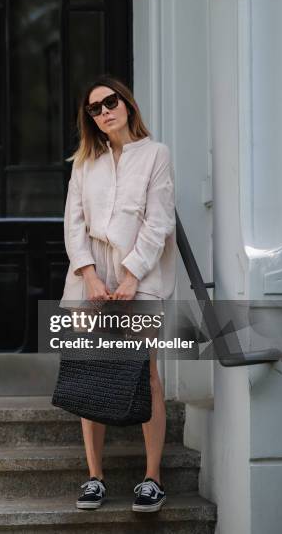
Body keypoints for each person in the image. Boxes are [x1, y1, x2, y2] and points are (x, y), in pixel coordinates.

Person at [60, 74, 176, 512]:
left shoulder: (156, 156)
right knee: (91, 373)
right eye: (95, 108)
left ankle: (152, 478)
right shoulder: (84, 162)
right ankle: (94, 477)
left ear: (127, 104)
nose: (104, 111)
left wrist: (130, 276)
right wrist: (89, 275)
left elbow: (159, 221)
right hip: (89, 279)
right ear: (89, 118)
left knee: (146, 375)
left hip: (139, 281)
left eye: (111, 102)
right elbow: (74, 223)